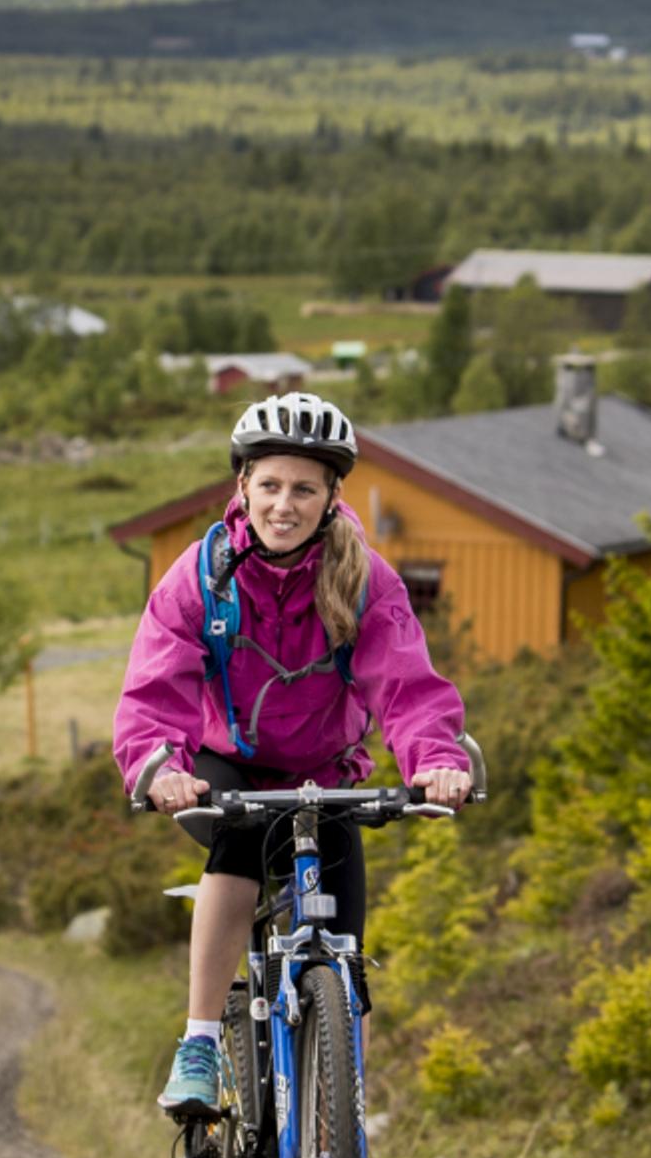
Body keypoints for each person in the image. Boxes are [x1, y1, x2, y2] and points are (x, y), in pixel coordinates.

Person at [115, 393, 473, 1120]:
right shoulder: (202, 576)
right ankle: (202, 1043)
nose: (286, 504)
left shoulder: (365, 578)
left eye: (305, 488)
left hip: (324, 777)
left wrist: (435, 758)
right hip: (223, 772)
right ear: (242, 486)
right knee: (241, 847)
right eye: (270, 485)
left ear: (331, 496)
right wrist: (161, 767)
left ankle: (337, 1140)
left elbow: (406, 683)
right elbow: (157, 686)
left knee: (342, 950)